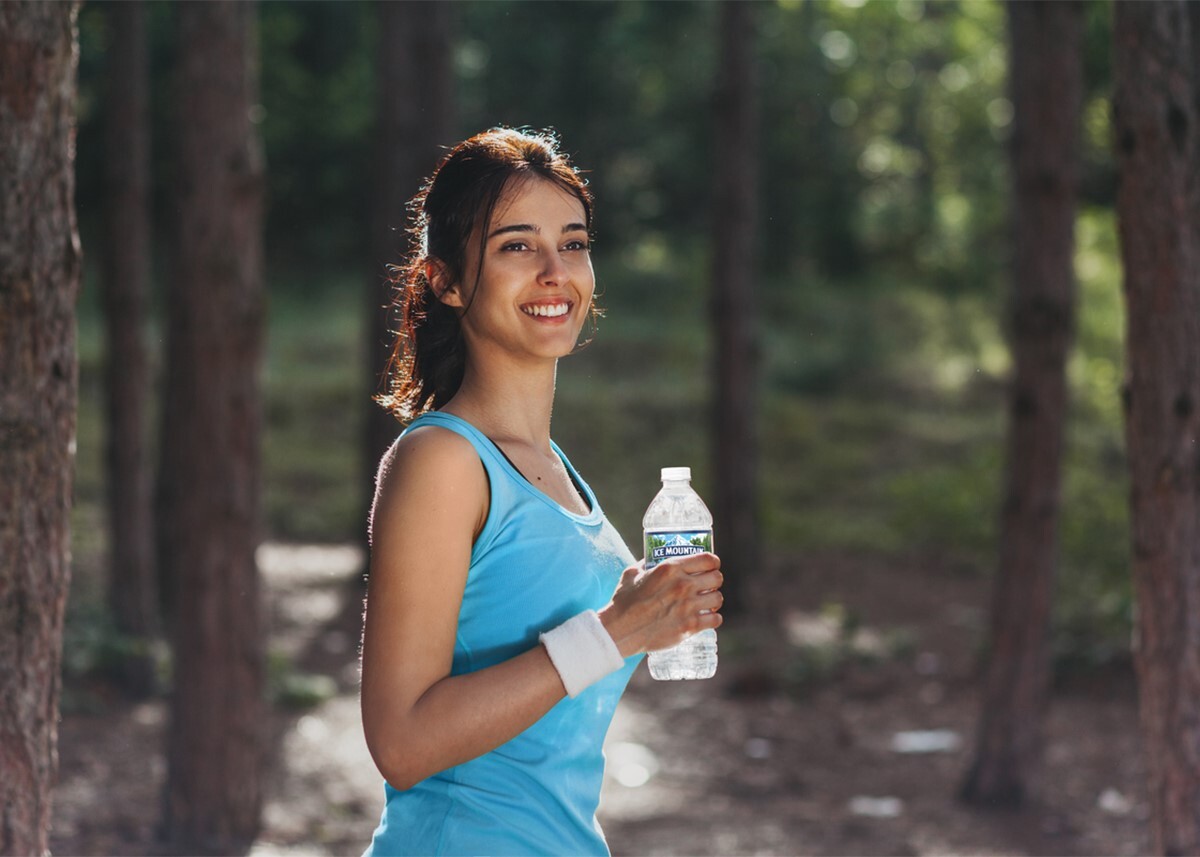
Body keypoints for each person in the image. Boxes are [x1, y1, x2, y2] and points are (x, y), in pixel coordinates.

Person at [360, 127, 724, 856]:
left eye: (576, 242)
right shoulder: (440, 460)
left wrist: (654, 618)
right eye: (517, 246)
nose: (557, 270)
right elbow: (400, 742)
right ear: (447, 280)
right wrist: (617, 630)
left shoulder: (550, 464)